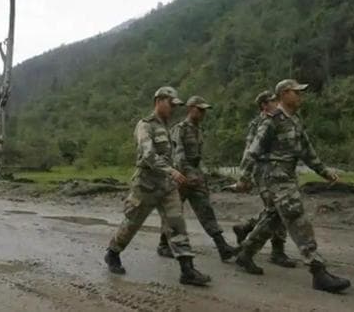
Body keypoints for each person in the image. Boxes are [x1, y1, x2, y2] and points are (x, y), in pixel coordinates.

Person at [235, 79, 351, 293]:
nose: (300, 96)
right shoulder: (272, 121)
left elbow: (307, 151)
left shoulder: (295, 120)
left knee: (273, 218)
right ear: (284, 94)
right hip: (274, 177)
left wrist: (324, 172)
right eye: (297, 92)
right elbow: (253, 151)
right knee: (298, 218)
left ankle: (245, 253)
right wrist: (244, 178)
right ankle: (318, 271)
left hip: (287, 176)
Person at [104, 86, 211, 286]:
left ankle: (187, 270)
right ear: (159, 101)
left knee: (176, 222)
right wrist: (171, 170)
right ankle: (113, 252)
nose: (173, 108)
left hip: (167, 186)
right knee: (132, 223)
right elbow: (148, 154)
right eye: (171, 104)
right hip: (146, 184)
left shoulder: (167, 126)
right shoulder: (145, 125)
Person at [156, 96, 237, 261]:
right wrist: (188, 174)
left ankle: (222, 246)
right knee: (174, 213)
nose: (203, 113)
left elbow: (197, 157)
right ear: (190, 108)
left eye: (204, 110)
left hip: (194, 176)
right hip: (180, 177)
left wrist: (199, 174)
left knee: (205, 209)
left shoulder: (198, 130)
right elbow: (178, 155)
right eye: (200, 110)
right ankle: (164, 244)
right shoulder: (181, 129)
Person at [232, 91, 296, 268]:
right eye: (272, 101)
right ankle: (275, 252)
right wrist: (244, 176)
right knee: (277, 210)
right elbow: (250, 150)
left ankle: (246, 228)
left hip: (278, 172)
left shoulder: (279, 119)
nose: (277, 103)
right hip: (264, 172)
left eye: (277, 99)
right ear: (263, 105)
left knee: (274, 210)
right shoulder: (259, 124)